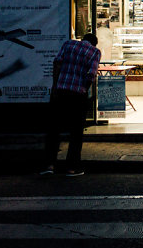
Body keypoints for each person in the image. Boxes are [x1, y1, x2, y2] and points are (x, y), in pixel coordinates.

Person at [41, 33, 101, 177]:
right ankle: (71, 168)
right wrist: (85, 90)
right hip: (77, 95)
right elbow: (91, 74)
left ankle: (49, 165)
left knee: (54, 130)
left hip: (60, 92)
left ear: (82, 39)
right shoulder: (94, 52)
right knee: (76, 132)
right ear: (94, 43)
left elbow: (57, 63)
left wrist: (55, 86)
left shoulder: (68, 44)